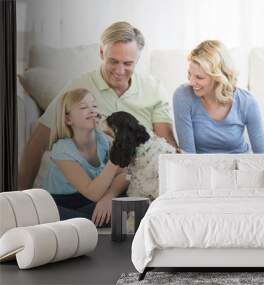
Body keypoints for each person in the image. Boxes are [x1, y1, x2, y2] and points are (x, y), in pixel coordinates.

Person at [18, 21, 177, 190]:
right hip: (97, 184)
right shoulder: (78, 88)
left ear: (137, 59)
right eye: (113, 61)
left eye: (127, 63)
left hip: (141, 181)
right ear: (102, 53)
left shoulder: (154, 89)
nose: (120, 71)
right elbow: (38, 141)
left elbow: (167, 148)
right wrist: (22, 195)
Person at [46, 88, 131, 226]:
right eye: (83, 107)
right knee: (122, 213)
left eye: (95, 106)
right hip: (62, 203)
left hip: (91, 200)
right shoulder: (62, 149)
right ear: (68, 119)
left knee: (130, 200)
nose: (92, 110)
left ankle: (93, 220)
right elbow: (93, 193)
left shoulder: (102, 140)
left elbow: (127, 174)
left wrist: (110, 196)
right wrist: (115, 158)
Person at [173, 40, 264, 153]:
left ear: (218, 78)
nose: (191, 82)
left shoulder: (247, 102)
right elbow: (188, 156)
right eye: (189, 74)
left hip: (238, 167)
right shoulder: (183, 96)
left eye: (199, 77)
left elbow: (263, 155)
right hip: (201, 168)